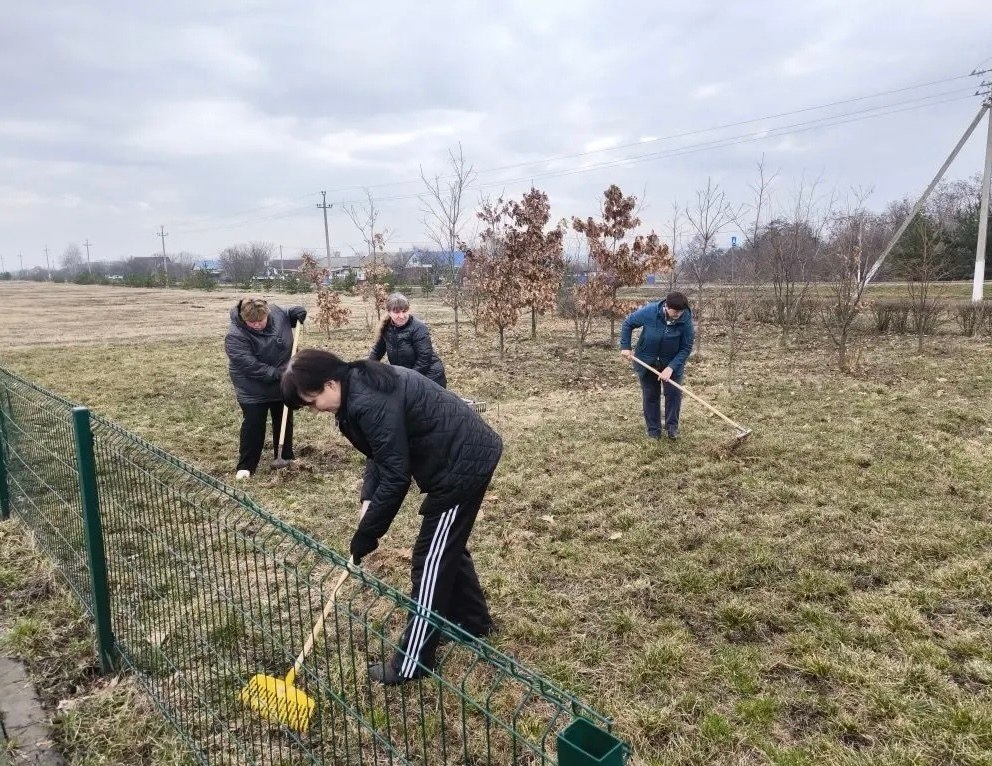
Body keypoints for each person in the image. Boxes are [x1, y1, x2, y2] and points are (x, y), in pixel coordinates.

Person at [281, 349, 501, 685]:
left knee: (430, 561)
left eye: (312, 402)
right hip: (457, 457)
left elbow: (397, 476)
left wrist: (367, 534)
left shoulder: (367, 400)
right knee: (445, 549)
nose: (315, 410)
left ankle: (412, 663)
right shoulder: (356, 388)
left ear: (330, 383)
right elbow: (380, 451)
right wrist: (368, 498)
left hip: (463, 464)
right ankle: (473, 623)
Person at [224, 296, 307, 478]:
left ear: (267, 314)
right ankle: (246, 466)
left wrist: (296, 312)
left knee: (284, 416)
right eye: (251, 322)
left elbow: (288, 313)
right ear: (243, 318)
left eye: (260, 320)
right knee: (254, 423)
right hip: (251, 386)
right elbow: (250, 365)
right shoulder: (235, 336)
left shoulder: (276, 312)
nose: (257, 325)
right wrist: (279, 374)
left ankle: (284, 456)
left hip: (281, 380)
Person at [619, 291, 694, 440]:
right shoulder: (650, 311)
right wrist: (625, 346)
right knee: (650, 395)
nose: (678, 314)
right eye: (675, 312)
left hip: (672, 362)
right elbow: (628, 323)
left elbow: (686, 348)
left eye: (681, 311)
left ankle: (672, 429)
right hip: (647, 361)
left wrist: (671, 368)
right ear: (666, 306)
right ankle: (653, 431)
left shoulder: (685, 320)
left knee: (673, 395)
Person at [369, 292, 447, 388]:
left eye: (404, 311)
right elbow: (377, 351)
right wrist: (366, 368)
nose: (402, 316)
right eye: (397, 312)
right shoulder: (386, 327)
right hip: (407, 376)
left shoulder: (418, 328)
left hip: (430, 377)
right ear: (389, 312)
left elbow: (424, 359)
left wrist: (407, 380)